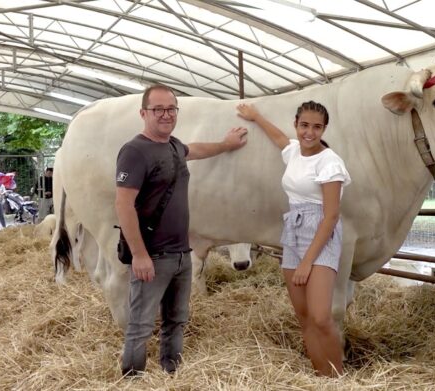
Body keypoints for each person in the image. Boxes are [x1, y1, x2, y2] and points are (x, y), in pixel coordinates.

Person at [115, 84, 248, 376]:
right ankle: (132, 380)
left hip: (180, 254)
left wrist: (226, 144)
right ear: (143, 113)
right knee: (141, 325)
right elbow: (124, 205)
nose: (166, 115)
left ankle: (171, 374)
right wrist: (139, 255)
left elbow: (195, 149)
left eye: (171, 109)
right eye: (158, 109)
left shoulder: (173, 145)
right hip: (152, 255)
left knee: (176, 320)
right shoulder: (135, 151)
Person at [236, 100, 350, 377]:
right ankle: (321, 376)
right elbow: (278, 138)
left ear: (324, 129)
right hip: (293, 230)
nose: (309, 133)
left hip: (321, 232)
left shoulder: (330, 162)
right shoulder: (295, 152)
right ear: (296, 125)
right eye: (304, 125)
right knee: (304, 316)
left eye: (316, 127)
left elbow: (332, 216)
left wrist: (307, 262)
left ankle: (339, 379)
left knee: (321, 316)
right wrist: (256, 116)